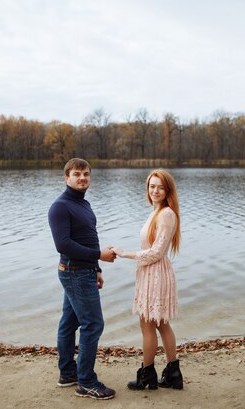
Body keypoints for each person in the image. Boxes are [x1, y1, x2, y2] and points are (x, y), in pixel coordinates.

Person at [48, 158, 117, 400]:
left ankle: (68, 374)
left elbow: (89, 238)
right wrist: (98, 256)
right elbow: (63, 245)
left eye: (86, 174)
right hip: (74, 271)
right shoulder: (60, 207)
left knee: (69, 322)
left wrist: (96, 268)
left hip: (83, 270)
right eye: (77, 174)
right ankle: (86, 382)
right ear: (66, 178)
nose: (82, 178)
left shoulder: (83, 204)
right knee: (93, 325)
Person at [112, 169, 184, 391]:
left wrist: (126, 254)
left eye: (160, 187)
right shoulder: (157, 212)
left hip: (156, 273)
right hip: (151, 273)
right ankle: (172, 375)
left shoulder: (166, 214)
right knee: (160, 323)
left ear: (167, 190)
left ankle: (147, 375)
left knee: (148, 324)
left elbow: (156, 253)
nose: (155, 190)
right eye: (152, 186)